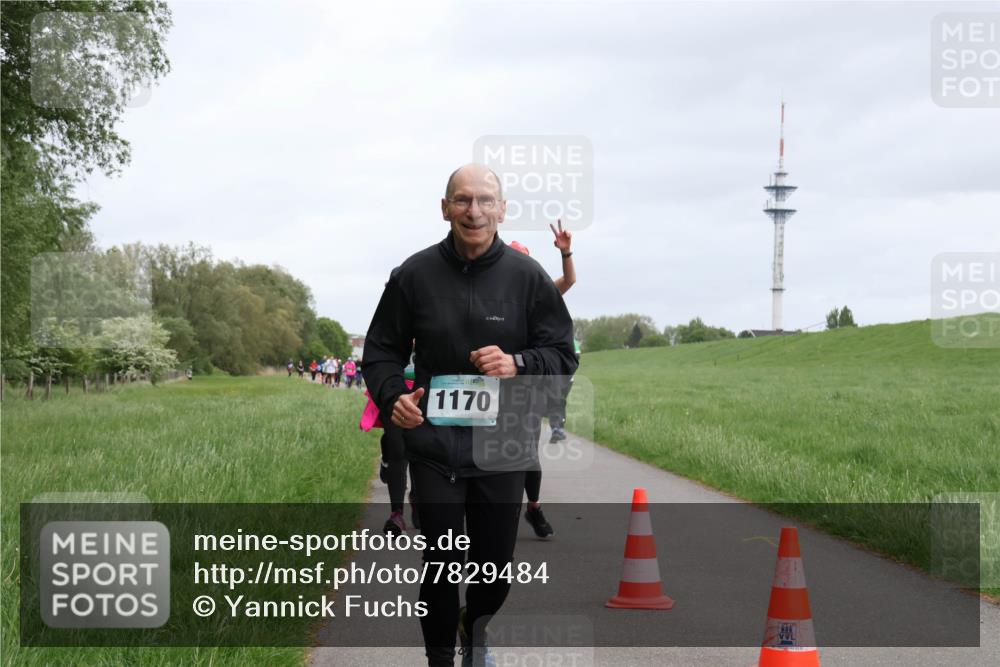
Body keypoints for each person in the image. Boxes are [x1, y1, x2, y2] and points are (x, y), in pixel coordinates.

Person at [363, 164, 577, 667]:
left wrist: (518, 362)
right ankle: (439, 658)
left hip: (503, 449)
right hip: (435, 447)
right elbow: (380, 350)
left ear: (502, 210)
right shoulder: (413, 275)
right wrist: (394, 396)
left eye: (484, 201)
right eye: (461, 200)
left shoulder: (527, 278)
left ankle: (473, 627)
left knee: (494, 572)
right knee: (440, 564)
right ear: (444, 208)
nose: (473, 211)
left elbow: (563, 354)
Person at [508, 220, 577, 539]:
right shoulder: (488, 299)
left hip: (528, 382)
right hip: (492, 385)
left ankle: (533, 507)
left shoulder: (539, 296)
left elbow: (570, 280)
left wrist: (566, 252)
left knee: (527, 451)